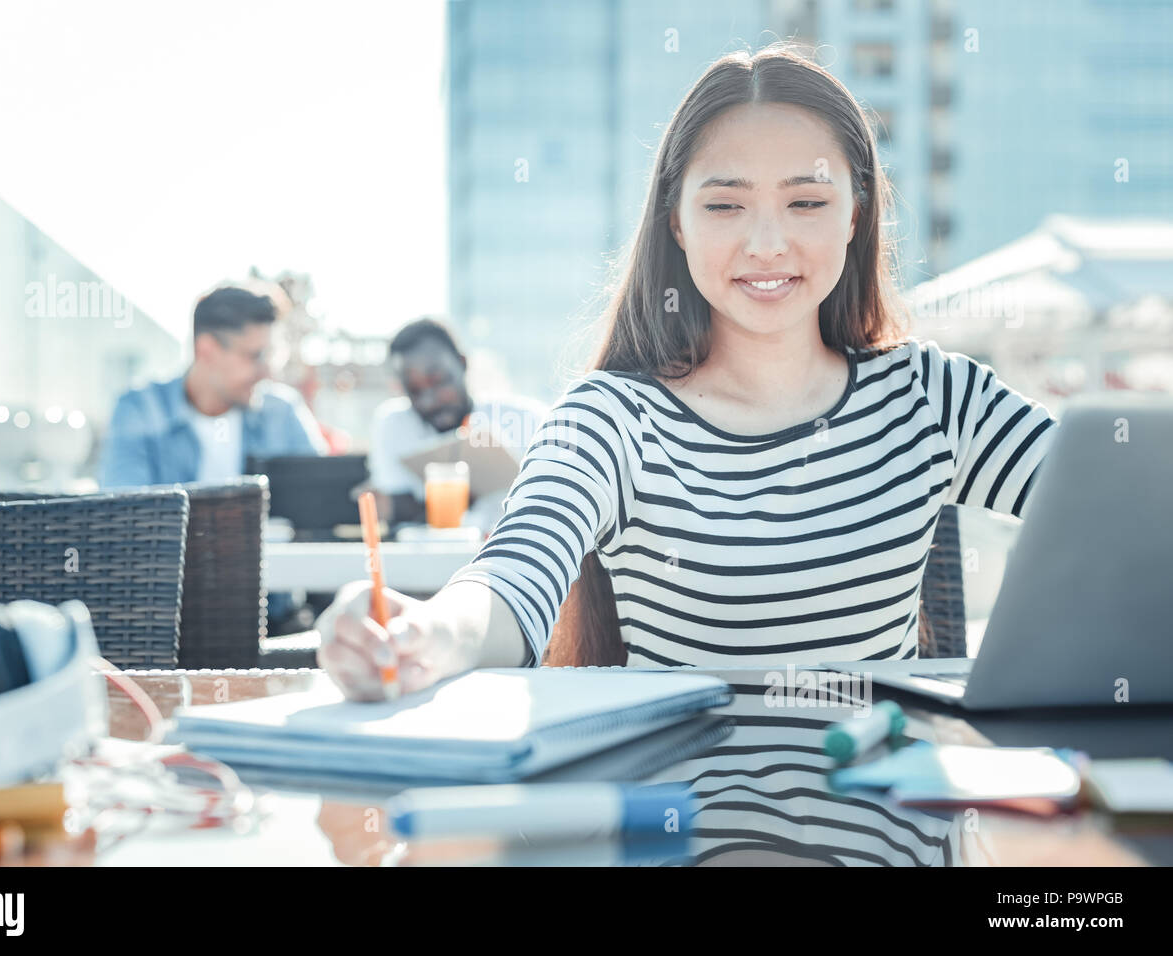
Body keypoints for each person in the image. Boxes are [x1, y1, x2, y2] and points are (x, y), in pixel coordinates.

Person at [315, 44, 1060, 700]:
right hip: (679, 829)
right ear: (677, 222)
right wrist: (428, 631)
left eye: (806, 201)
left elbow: (1117, 507)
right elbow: (513, 577)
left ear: (856, 215)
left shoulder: (933, 397)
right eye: (726, 205)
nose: (767, 244)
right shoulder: (610, 419)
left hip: (886, 828)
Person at [100, 281, 330, 629]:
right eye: (255, 356)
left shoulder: (282, 412)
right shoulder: (140, 409)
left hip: (271, 615)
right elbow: (124, 519)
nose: (267, 370)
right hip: (164, 620)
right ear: (206, 349)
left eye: (271, 355)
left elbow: (324, 509)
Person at [364, 317, 548, 535]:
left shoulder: (525, 418)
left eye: (439, 380)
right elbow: (390, 505)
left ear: (462, 363)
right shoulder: (393, 425)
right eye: (414, 390)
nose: (429, 400)